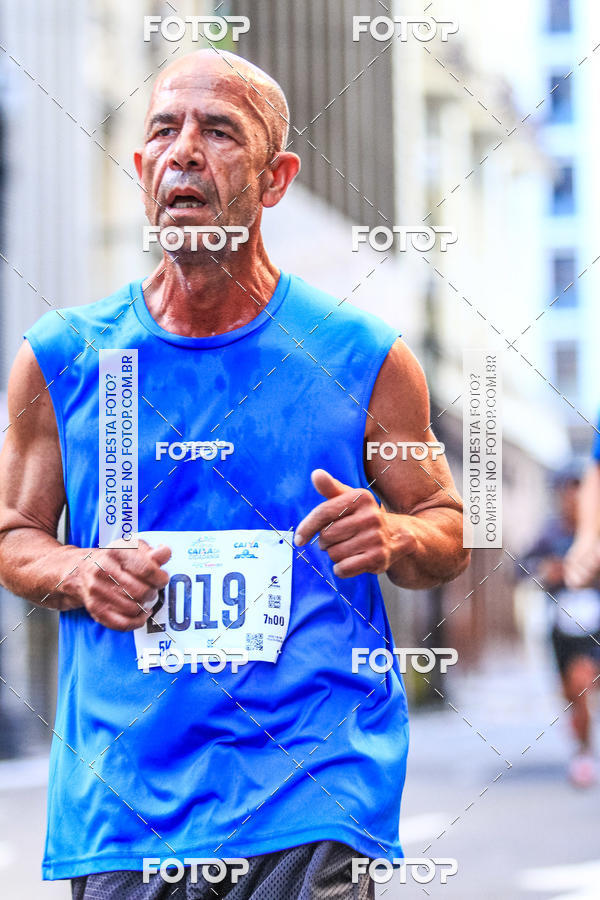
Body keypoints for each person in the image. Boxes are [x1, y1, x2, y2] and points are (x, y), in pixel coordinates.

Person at [0, 50, 469, 899]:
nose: (185, 151)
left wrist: (395, 533)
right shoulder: (64, 357)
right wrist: (81, 568)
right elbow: (14, 536)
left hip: (309, 783)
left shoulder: (363, 357)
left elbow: (446, 530)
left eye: (219, 131)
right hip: (125, 798)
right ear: (143, 169)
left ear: (275, 176)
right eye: (163, 133)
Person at [522, 466, 600, 787]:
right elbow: (521, 568)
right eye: (565, 493)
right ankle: (583, 749)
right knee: (572, 693)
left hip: (595, 626)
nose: (571, 500)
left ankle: (583, 752)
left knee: (583, 680)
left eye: (578, 492)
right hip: (562, 628)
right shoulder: (550, 535)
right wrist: (545, 573)